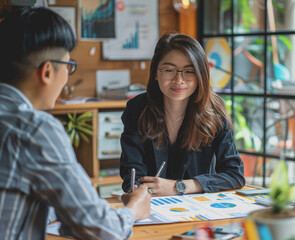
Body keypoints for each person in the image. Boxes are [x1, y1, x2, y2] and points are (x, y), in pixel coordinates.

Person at [0, 7, 150, 240]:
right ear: (47, 71)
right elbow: (101, 231)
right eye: (69, 67)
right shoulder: (34, 129)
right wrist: (133, 210)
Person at [120, 33, 245, 196]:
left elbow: (234, 175)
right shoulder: (138, 108)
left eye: (189, 71)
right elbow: (132, 173)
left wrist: (179, 187)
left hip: (199, 210)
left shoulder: (214, 110)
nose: (179, 80)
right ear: (156, 73)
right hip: (152, 205)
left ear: (201, 75)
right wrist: (136, 189)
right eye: (169, 70)